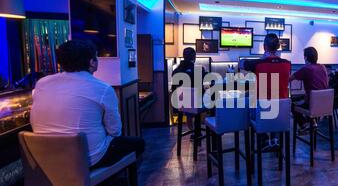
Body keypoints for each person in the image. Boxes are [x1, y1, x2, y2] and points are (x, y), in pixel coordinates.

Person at [31, 40, 145, 170]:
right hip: (88, 160)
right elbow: (115, 131)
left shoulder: (41, 83)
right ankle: (102, 183)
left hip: (46, 159)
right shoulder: (103, 89)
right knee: (138, 143)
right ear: (92, 62)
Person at [239, 33, 291, 150]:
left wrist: (262, 58)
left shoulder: (258, 64)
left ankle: (264, 139)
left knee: (247, 106)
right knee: (275, 101)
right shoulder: (287, 64)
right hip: (282, 113)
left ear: (264, 46)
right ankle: (275, 139)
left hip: (263, 113)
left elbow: (241, 63)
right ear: (278, 47)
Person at [289, 47, 329, 132]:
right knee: (301, 98)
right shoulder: (323, 67)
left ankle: (304, 125)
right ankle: (312, 123)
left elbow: (290, 79)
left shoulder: (306, 69)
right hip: (325, 105)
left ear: (306, 57)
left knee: (291, 104)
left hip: (312, 104)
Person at [172, 47, 207, 137]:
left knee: (190, 104)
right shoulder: (199, 70)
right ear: (194, 57)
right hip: (195, 104)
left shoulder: (175, 71)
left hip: (181, 105)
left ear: (183, 56)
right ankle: (199, 130)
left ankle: (194, 130)